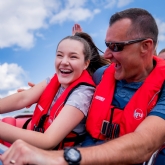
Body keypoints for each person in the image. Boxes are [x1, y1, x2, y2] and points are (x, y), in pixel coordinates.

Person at [1, 7, 165, 165]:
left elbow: (145, 142)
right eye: (107, 45)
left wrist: (63, 158)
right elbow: (71, 84)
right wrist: (40, 95)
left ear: (145, 46)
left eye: (116, 46)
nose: (107, 54)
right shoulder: (101, 75)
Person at [0, 34, 109, 151]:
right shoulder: (54, 80)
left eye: (73, 57)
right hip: (38, 141)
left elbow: (48, 141)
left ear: (86, 64)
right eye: (59, 55)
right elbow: (23, 98)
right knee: (8, 121)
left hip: (55, 156)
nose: (64, 62)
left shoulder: (83, 94)